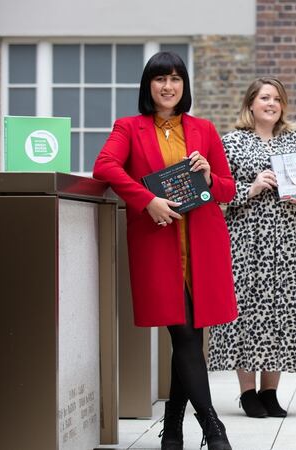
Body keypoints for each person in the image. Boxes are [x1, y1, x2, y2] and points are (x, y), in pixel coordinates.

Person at [93, 51, 235, 450]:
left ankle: (172, 425)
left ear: (184, 86)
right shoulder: (129, 127)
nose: (168, 86)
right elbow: (105, 166)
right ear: (148, 86)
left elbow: (227, 189)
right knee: (186, 334)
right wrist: (145, 200)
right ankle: (213, 426)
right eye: (160, 79)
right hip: (160, 243)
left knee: (188, 336)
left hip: (202, 244)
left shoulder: (204, 129)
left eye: (175, 79)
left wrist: (209, 172)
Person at [208, 76, 296, 418]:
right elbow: (219, 191)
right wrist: (252, 187)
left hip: (291, 240)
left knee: (281, 312)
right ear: (251, 104)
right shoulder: (232, 143)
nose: (271, 104)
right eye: (264, 98)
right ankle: (247, 393)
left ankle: (271, 392)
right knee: (248, 310)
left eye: (276, 98)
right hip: (247, 241)